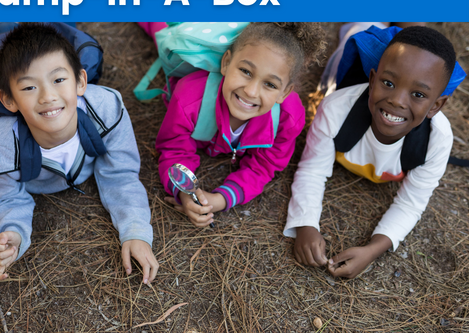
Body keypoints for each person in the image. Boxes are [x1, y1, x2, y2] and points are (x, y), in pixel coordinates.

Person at [0, 23, 159, 282]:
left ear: (81, 81)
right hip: (1, 34)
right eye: (29, 88)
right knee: (3, 27)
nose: (48, 96)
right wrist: (13, 232)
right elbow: (7, 198)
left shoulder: (106, 111)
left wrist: (135, 231)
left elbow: (121, 174)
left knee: (51, 19)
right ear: (8, 100)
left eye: (59, 80)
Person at [284, 24, 463, 278]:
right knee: (359, 29)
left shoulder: (437, 139)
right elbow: (312, 170)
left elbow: (411, 204)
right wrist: (305, 224)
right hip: (343, 80)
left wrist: (373, 249)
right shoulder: (337, 109)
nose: (397, 100)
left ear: (436, 106)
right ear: (372, 79)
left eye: (418, 94)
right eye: (388, 82)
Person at [141, 22, 326, 227]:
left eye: (270, 84)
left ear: (284, 92)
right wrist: (184, 192)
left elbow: (263, 167)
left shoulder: (287, 119)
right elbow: (174, 147)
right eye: (246, 71)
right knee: (164, 33)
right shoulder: (189, 98)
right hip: (190, 73)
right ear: (226, 62)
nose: (251, 91)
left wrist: (222, 199)